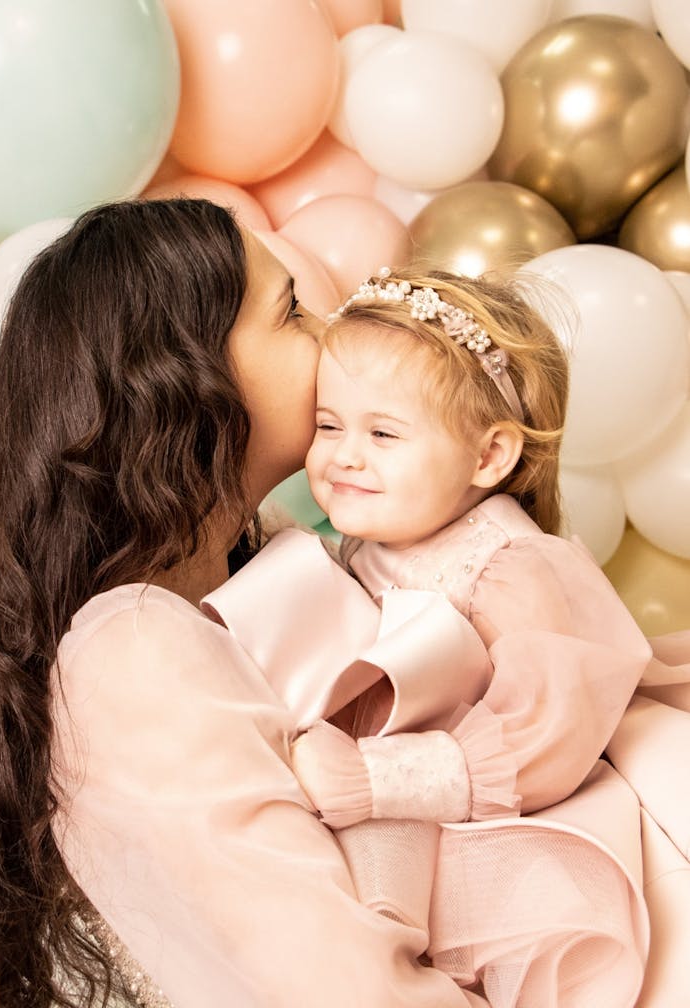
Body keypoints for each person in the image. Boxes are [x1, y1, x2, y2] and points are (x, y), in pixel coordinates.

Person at [0, 202, 490, 1008]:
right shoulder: (133, 652)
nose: (333, 331)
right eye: (293, 312)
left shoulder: (265, 570)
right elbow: (348, 991)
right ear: (188, 382)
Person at [210, 266, 657, 1006]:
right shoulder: (372, 538)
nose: (344, 455)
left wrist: (375, 779)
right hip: (355, 815)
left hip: (477, 836)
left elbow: (549, 732)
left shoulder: (510, 567)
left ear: (489, 457)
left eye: (384, 433)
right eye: (329, 424)